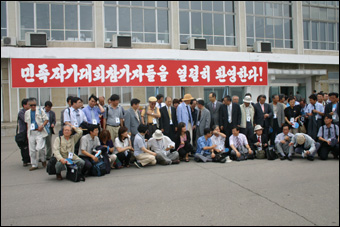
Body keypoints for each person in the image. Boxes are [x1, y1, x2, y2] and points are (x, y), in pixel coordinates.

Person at [24, 98, 49, 171]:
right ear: (29, 105)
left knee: (40, 148)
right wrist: (27, 132)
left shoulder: (40, 111)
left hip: (39, 132)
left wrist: (42, 126)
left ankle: (43, 159)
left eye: (34, 105)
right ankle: (34, 164)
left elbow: (46, 119)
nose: (33, 107)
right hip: (31, 132)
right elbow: (27, 123)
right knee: (32, 150)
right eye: (31, 105)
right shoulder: (27, 113)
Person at [17, 98, 31, 166]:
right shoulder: (21, 112)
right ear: (24, 105)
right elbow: (26, 120)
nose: (30, 105)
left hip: (29, 131)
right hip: (23, 132)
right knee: (24, 147)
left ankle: (29, 159)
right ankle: (25, 161)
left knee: (29, 146)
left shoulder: (30, 111)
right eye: (28, 104)